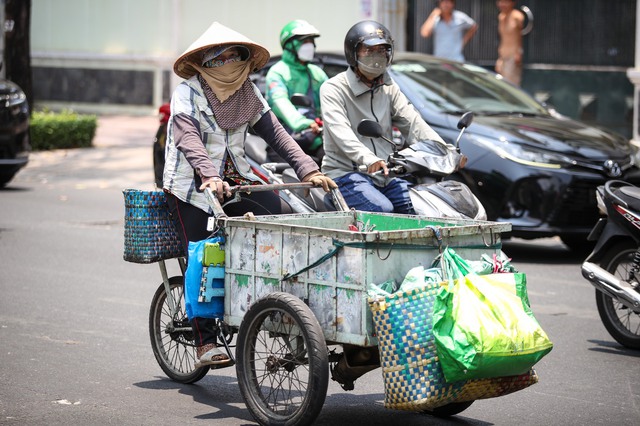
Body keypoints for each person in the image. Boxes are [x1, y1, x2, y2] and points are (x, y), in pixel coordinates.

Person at [163, 21, 336, 368]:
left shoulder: (248, 92)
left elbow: (279, 135)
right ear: (204, 62)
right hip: (193, 189)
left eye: (235, 56)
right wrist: (209, 176)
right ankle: (204, 340)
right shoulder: (187, 93)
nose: (229, 63)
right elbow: (188, 139)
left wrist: (309, 170)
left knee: (286, 222)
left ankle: (281, 310)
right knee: (203, 253)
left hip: (238, 181)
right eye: (220, 57)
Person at [320, 20, 465, 214]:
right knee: (382, 210)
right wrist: (369, 159)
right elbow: (341, 133)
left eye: (382, 50)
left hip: (384, 174)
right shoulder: (333, 89)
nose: (377, 57)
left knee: (422, 207)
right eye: (369, 51)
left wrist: (445, 151)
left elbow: (412, 122)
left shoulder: (389, 88)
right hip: (345, 174)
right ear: (352, 53)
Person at [265, 19, 329, 164]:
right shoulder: (277, 72)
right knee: (290, 178)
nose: (310, 45)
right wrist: (304, 123)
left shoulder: (316, 73)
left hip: (315, 137)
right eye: (304, 41)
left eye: (311, 41)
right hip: (284, 139)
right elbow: (280, 101)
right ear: (289, 45)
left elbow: (334, 99)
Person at [495, 0, 524, 86]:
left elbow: (520, 37)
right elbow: (503, 38)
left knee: (511, 85)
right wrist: (500, 58)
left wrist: (518, 53)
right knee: (501, 85)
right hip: (502, 55)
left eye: (506, 2)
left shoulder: (517, 16)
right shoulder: (501, 16)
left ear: (512, 3)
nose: (502, 4)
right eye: (501, 2)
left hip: (513, 56)